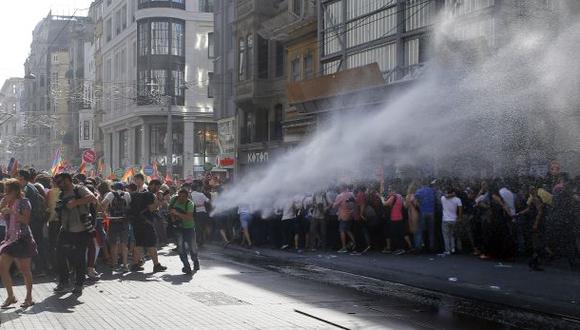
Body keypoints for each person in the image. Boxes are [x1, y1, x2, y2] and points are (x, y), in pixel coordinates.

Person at [53, 173, 97, 295]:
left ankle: (79, 284)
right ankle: (63, 282)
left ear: (67, 180)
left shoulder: (79, 189)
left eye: (60, 182)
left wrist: (75, 202)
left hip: (81, 230)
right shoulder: (62, 193)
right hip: (65, 229)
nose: (58, 185)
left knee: (79, 258)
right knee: (60, 255)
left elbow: (92, 197)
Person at [0, 179, 37, 308]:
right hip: (10, 239)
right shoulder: (6, 202)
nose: (5, 193)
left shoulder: (24, 202)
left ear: (15, 191)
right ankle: (11, 296)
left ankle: (29, 297)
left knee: (24, 270)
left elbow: (26, 220)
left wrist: (13, 212)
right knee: (2, 267)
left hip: (23, 239)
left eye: (7, 191)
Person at [129, 182, 167, 273]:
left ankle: (135, 264)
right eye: (158, 187)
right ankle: (156, 265)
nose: (158, 189)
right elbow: (151, 208)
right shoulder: (149, 195)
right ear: (152, 185)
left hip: (137, 222)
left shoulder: (138, 194)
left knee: (139, 243)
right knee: (151, 244)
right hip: (146, 223)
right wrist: (159, 202)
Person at [17, 170, 48, 276]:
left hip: (32, 221)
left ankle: (39, 269)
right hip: (35, 220)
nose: (17, 180)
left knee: (32, 245)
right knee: (36, 244)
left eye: (18, 178)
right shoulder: (31, 186)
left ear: (23, 178)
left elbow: (26, 207)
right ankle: (40, 268)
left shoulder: (27, 188)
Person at [101, 182, 131, 272]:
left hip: (113, 221)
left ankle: (114, 264)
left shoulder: (110, 194)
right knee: (124, 244)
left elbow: (103, 205)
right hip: (124, 221)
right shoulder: (127, 194)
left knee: (113, 244)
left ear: (113, 188)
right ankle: (125, 265)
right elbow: (129, 206)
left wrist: (105, 214)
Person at [169, 188, 199, 274]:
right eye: (179, 196)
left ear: (187, 197)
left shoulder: (190, 204)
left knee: (192, 248)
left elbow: (189, 217)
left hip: (189, 228)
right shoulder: (174, 200)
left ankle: (195, 262)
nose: (181, 198)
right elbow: (170, 210)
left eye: (183, 197)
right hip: (178, 229)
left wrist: (177, 213)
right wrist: (173, 218)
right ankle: (186, 266)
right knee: (181, 249)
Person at [383, 185, 413, 254]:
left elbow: (385, 204)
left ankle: (400, 248)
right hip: (400, 217)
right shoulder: (400, 196)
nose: (389, 192)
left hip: (394, 218)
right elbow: (404, 205)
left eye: (390, 191)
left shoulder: (393, 197)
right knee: (402, 233)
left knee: (396, 234)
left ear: (393, 191)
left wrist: (382, 199)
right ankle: (409, 247)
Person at [333, 185, 356, 253]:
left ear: (342, 188)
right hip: (350, 215)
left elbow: (335, 205)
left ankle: (344, 247)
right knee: (348, 230)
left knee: (342, 231)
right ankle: (355, 243)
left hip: (343, 216)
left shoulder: (340, 196)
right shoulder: (351, 194)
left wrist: (333, 203)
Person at [414, 181, 436, 252]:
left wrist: (418, 206)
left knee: (419, 231)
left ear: (421, 184)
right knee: (431, 231)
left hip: (423, 211)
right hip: (431, 212)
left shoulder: (419, 191)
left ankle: (418, 248)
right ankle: (431, 247)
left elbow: (415, 200)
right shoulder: (432, 190)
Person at [440, 187, 463, 255]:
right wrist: (459, 218)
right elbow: (460, 209)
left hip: (445, 219)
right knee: (452, 235)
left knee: (446, 236)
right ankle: (453, 248)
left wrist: (448, 195)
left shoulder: (443, 198)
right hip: (454, 219)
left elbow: (444, 195)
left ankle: (447, 250)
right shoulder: (458, 199)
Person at [190, 182, 210, 248]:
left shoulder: (190, 195)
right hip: (202, 212)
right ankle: (201, 240)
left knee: (195, 227)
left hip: (193, 212)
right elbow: (208, 201)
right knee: (202, 227)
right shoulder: (201, 194)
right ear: (197, 188)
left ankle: (197, 240)